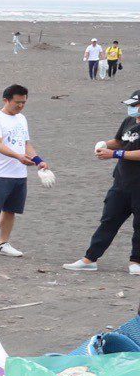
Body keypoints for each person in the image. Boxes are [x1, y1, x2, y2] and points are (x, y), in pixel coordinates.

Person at [66, 90, 140, 275]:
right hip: (121, 183)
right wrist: (104, 145)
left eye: (134, 105)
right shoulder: (129, 121)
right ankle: (90, 259)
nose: (131, 108)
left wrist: (114, 154)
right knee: (108, 221)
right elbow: (119, 140)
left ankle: (136, 262)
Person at [0, 84, 43, 257]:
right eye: (17, 102)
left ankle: (2, 243)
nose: (20, 106)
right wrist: (18, 157)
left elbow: (25, 144)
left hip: (19, 174)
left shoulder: (22, 119)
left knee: (11, 210)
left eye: (23, 103)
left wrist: (38, 160)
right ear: (6, 100)